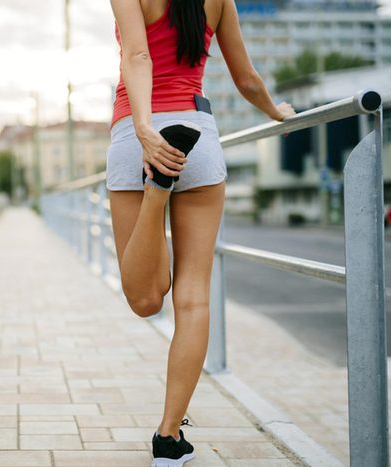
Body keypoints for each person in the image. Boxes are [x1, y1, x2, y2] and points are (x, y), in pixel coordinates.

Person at [107, 0, 294, 465]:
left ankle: (158, 187)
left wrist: (147, 130)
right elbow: (247, 79)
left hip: (137, 131)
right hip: (198, 133)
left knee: (145, 300)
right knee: (193, 298)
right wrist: (277, 111)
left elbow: (138, 54)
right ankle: (169, 439)